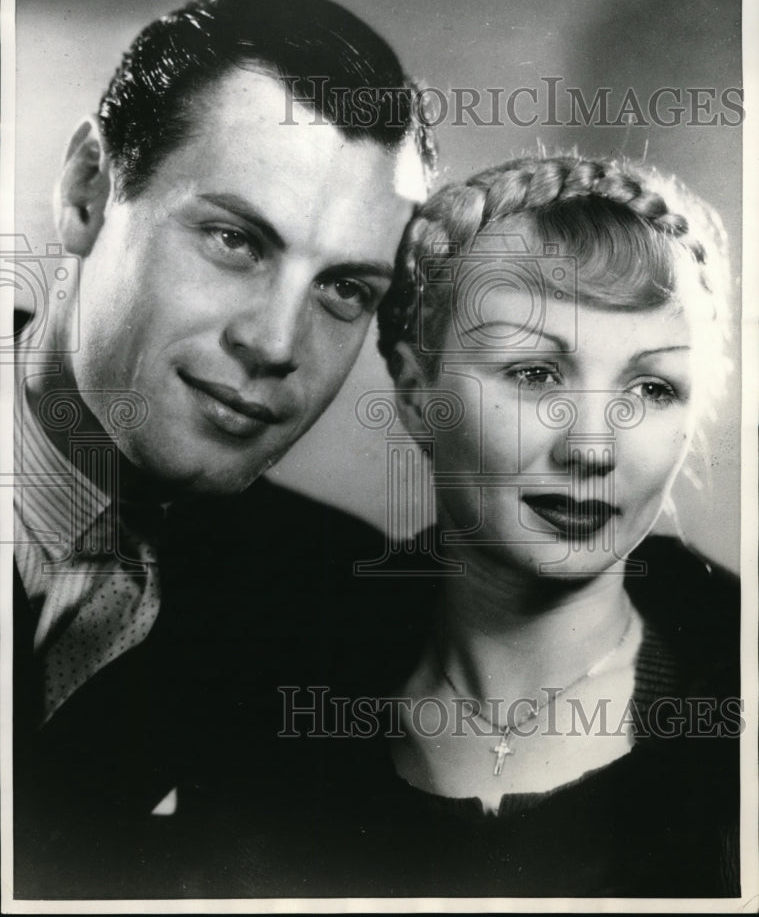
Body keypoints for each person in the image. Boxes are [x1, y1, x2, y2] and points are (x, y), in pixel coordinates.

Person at [219, 153, 740, 898]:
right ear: (413, 389)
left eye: (652, 388)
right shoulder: (268, 700)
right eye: (533, 374)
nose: (591, 446)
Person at [12, 0, 434, 898]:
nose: (277, 346)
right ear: (88, 190)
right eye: (236, 241)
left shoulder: (341, 610)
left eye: (344, 291)